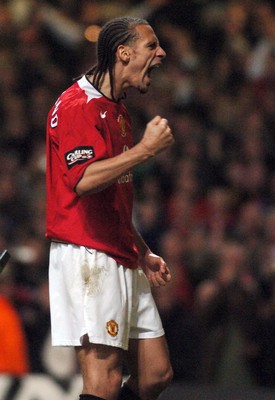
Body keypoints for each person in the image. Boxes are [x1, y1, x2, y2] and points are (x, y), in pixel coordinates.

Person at [46, 16, 174, 400]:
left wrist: (142, 249)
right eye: (151, 46)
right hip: (88, 255)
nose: (161, 52)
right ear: (124, 53)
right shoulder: (77, 105)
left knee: (155, 375)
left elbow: (113, 192)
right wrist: (145, 150)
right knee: (103, 381)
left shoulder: (117, 110)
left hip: (120, 251)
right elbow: (83, 181)